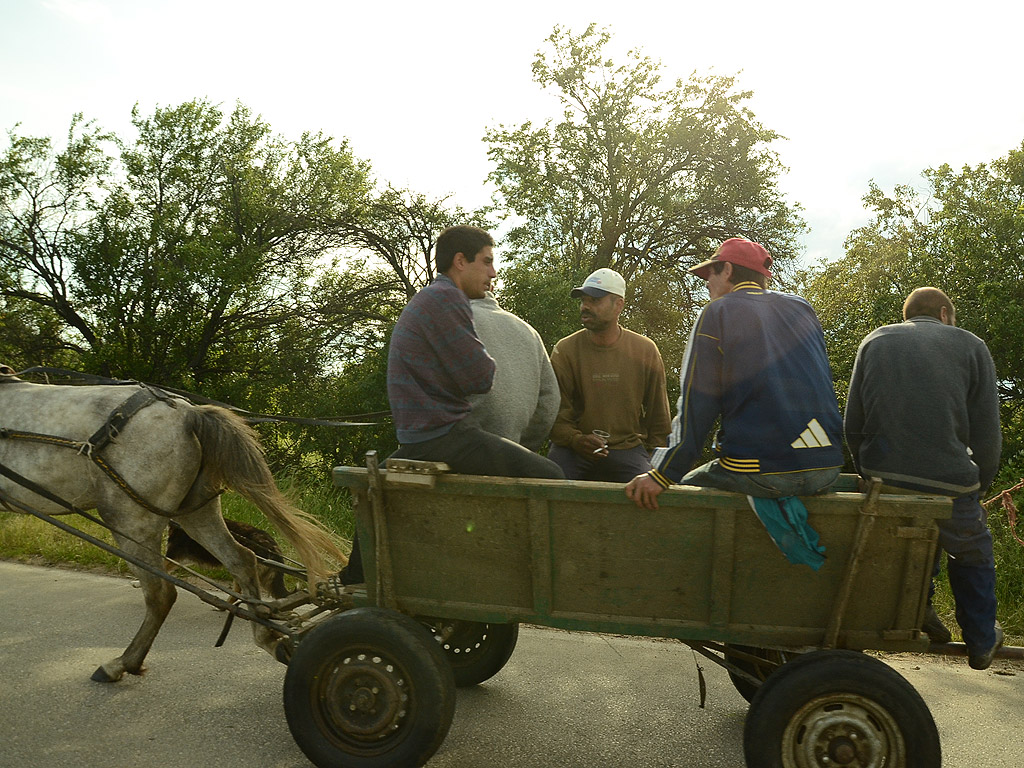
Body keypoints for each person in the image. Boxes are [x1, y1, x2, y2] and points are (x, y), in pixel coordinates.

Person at [339, 225, 563, 585]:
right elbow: (479, 377)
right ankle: (539, 578)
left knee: (375, 489)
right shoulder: (447, 300)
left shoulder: (432, 298)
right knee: (553, 476)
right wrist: (486, 360)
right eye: (487, 262)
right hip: (445, 436)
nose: (493, 272)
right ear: (460, 261)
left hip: (424, 436)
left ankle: (356, 579)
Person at [844, 287, 1003, 670]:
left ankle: (920, 609)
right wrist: (979, 485)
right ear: (945, 313)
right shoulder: (971, 345)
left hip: (886, 478)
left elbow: (853, 423)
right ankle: (981, 638)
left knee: (913, 537)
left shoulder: (876, 340)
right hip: (951, 482)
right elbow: (987, 433)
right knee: (971, 550)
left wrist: (869, 473)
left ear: (907, 315)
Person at [625, 237, 844, 511]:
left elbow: (697, 404)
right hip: (826, 468)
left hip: (759, 471)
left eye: (710, 273)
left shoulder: (718, 312)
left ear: (727, 270)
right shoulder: (802, 308)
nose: (706, 283)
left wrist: (663, 472)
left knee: (681, 495)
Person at [547, 268, 671, 482]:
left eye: (594, 300)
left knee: (650, 495)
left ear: (618, 305)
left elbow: (659, 416)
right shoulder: (565, 350)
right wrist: (576, 440)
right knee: (553, 488)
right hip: (574, 448)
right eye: (584, 300)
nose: (585, 306)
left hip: (627, 448)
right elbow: (554, 415)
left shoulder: (645, 350)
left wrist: (654, 460)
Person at [464, 291, 560, 452]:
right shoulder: (529, 332)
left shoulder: (453, 323)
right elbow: (549, 402)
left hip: (459, 450)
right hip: (512, 454)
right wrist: (521, 449)